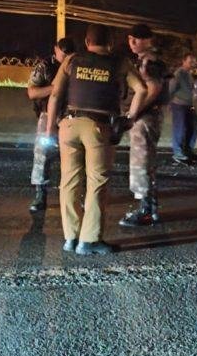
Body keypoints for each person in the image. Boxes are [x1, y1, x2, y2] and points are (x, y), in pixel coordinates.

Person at [46, 24, 147, 256]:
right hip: (98, 128)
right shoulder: (120, 62)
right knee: (97, 182)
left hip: (68, 125)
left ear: (87, 42)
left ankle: (71, 237)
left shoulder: (71, 60)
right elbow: (141, 89)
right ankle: (89, 240)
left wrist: (50, 129)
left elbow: (54, 94)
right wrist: (129, 118)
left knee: (69, 182)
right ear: (110, 43)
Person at [120, 24, 169, 227]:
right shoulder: (144, 60)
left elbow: (154, 89)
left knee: (141, 162)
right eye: (130, 38)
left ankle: (145, 210)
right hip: (148, 116)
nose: (132, 43)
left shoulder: (150, 61)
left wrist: (133, 113)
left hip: (146, 117)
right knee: (146, 162)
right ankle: (151, 208)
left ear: (148, 40)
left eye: (136, 39)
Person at [26, 36, 77, 213]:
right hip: (48, 116)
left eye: (68, 53)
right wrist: (55, 89)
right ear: (56, 49)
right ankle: (40, 195)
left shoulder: (76, 65)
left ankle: (75, 195)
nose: (65, 57)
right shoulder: (45, 66)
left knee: (74, 157)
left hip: (69, 117)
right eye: (63, 53)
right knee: (42, 154)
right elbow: (32, 92)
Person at [169, 51, 197, 164]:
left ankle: (188, 150)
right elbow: (172, 88)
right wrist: (169, 102)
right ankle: (178, 153)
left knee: (193, 128)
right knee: (179, 129)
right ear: (184, 61)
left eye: (194, 62)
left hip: (188, 104)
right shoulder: (179, 74)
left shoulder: (188, 73)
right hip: (179, 104)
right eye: (190, 62)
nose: (192, 64)